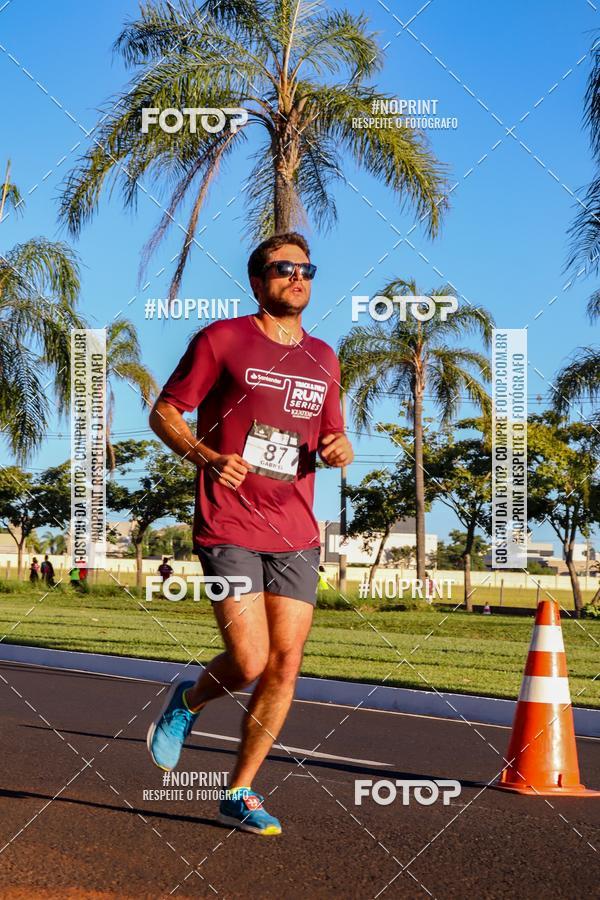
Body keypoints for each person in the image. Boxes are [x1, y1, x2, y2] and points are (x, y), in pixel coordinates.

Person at [146, 232, 353, 836]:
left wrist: (340, 446)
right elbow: (164, 412)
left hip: (294, 530)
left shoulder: (324, 357)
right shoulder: (222, 339)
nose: (297, 276)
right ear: (257, 281)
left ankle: (239, 790)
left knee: (285, 666)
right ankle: (188, 702)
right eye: (282, 268)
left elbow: (329, 436)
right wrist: (207, 456)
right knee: (249, 658)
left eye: (305, 268)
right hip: (229, 521)